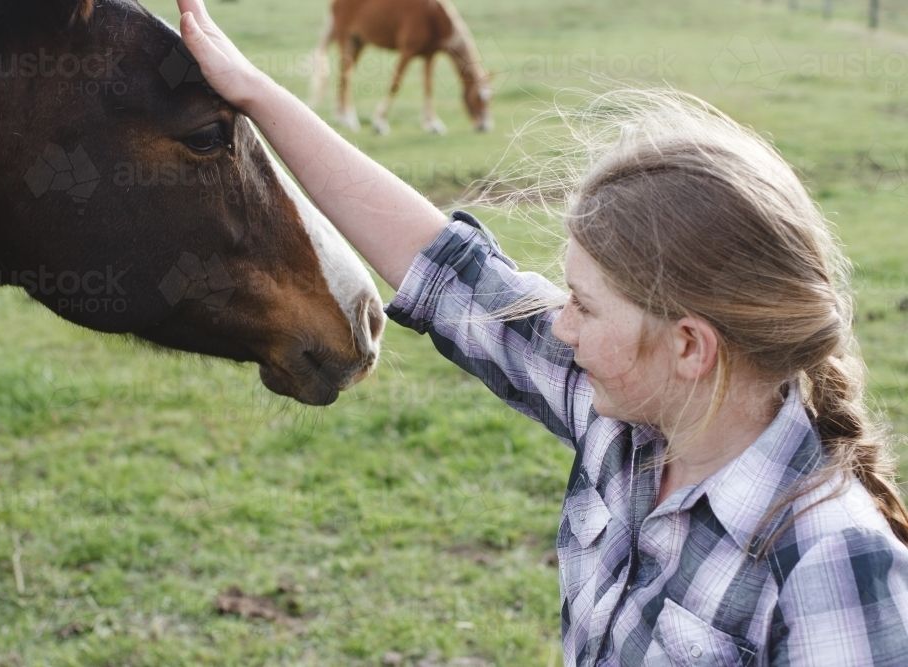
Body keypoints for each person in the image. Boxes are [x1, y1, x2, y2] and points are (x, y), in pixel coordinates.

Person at [175, 1, 908, 663]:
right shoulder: (627, 417)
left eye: (585, 306)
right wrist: (258, 96)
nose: (559, 323)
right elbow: (441, 265)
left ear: (689, 345)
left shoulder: (831, 563)